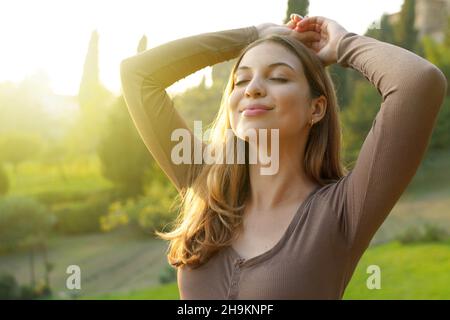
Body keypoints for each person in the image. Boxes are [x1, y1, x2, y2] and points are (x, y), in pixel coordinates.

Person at [120, 14, 447, 299]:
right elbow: (138, 75)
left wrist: (343, 44)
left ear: (316, 108)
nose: (252, 89)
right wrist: (251, 36)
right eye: (242, 79)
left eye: (278, 77)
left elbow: (417, 82)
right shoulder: (206, 185)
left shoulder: (342, 211)